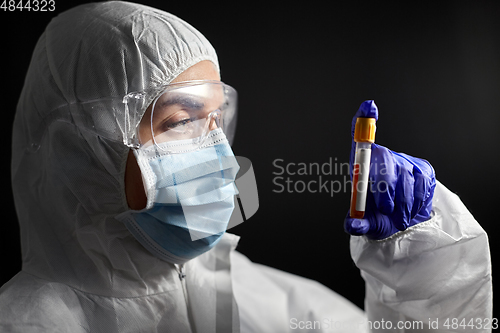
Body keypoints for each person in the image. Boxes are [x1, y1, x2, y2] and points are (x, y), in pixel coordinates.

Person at [0, 1, 492, 332]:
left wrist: (422, 270)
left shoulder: (247, 293)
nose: (220, 156)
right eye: (180, 122)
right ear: (80, 155)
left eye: (216, 120)